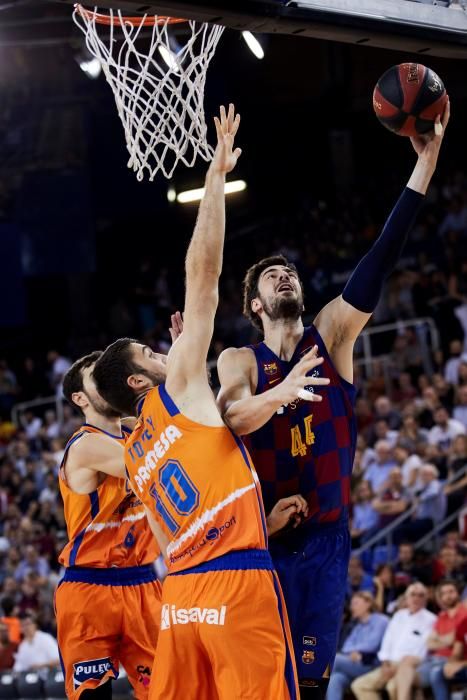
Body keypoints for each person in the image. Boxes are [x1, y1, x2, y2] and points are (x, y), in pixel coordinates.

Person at [217, 102, 450, 697]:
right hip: (262, 539)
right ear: (256, 306)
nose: (286, 276)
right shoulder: (240, 361)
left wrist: (421, 169)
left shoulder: (332, 336)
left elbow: (378, 260)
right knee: (260, 683)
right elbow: (233, 417)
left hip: (324, 539)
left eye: (289, 271)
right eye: (273, 277)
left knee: (313, 683)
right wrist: (286, 390)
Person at [93, 105, 303, 700]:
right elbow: (203, 275)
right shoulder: (177, 385)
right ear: (139, 383)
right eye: (148, 353)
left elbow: (170, 535)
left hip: (182, 599)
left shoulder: (133, 457)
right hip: (237, 586)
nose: (162, 351)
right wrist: (213, 179)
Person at [55, 352, 161, 700]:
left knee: (169, 689)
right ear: (80, 399)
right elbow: (150, 463)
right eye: (96, 378)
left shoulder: (137, 429)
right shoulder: (86, 445)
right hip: (91, 588)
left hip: (143, 581)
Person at [351, 583, 436, 700]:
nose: (416, 598)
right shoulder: (398, 616)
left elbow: (423, 650)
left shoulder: (431, 619)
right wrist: (385, 663)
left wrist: (400, 666)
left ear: (426, 599)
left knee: (392, 687)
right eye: (413, 594)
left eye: (421, 595)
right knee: (359, 685)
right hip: (389, 664)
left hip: (410, 666)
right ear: (407, 598)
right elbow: (387, 641)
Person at [327, 592, 388, 700]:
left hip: (372, 664)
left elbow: (372, 644)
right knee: (335, 679)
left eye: (355, 603)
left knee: (334, 660)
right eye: (351, 604)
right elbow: (346, 647)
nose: (351, 607)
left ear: (368, 604)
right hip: (354, 663)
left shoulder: (381, 620)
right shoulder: (358, 626)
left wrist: (357, 652)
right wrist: (354, 653)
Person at [416, 580, 467, 700]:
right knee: (406, 676)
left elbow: (452, 640)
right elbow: (430, 643)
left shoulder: (464, 614)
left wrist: (440, 639)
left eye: (451, 591)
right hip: (438, 660)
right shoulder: (444, 617)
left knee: (433, 674)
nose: (448, 596)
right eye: (444, 593)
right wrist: (453, 662)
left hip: (449, 661)